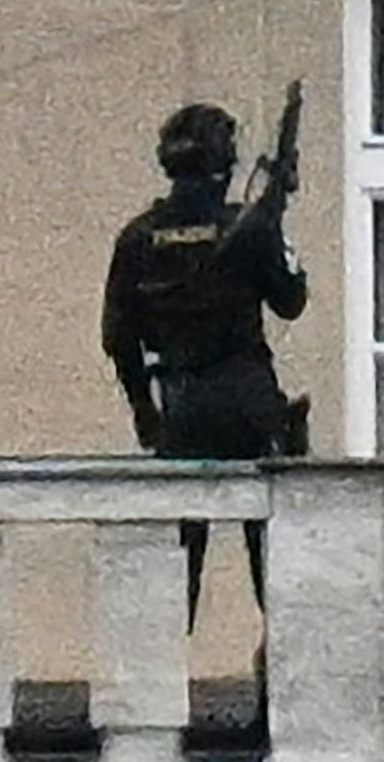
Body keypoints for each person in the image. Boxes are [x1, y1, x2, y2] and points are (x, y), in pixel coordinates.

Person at [103, 100, 308, 608]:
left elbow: (117, 337)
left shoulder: (138, 237)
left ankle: (165, 679)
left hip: (181, 403)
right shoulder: (247, 227)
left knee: (174, 578)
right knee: (279, 571)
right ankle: (279, 678)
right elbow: (292, 301)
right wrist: (275, 225)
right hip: (249, 405)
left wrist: (144, 412)